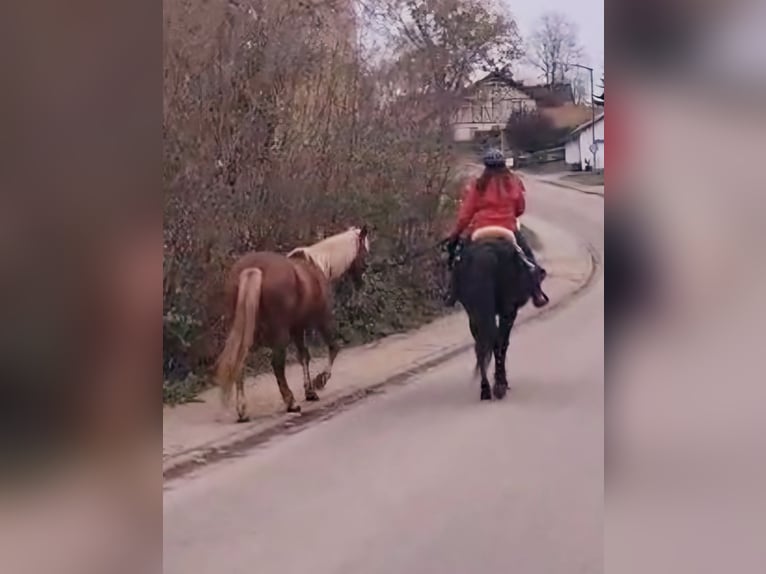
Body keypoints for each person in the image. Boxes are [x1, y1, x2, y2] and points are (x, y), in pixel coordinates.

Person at [444, 148, 549, 308]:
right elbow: (520, 209)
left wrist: (455, 235)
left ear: (486, 167)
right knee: (528, 259)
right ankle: (536, 292)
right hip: (507, 230)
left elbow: (465, 215)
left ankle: (452, 293)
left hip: (480, 230)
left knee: (459, 259)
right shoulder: (514, 183)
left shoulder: (477, 185)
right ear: (504, 165)